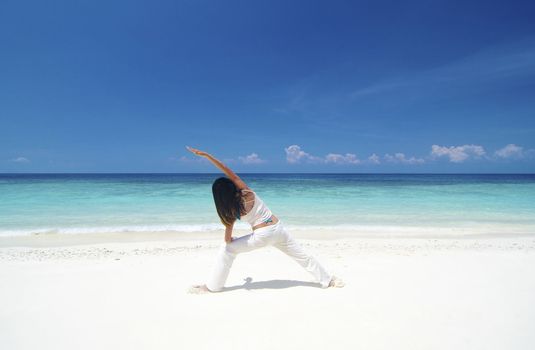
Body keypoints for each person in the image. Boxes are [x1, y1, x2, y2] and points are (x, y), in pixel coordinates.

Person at [186, 146, 344, 293]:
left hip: (262, 236)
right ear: (231, 186)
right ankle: (328, 280)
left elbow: (228, 240)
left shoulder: (231, 211)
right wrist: (207, 156)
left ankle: (212, 287)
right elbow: (228, 171)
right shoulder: (247, 191)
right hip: (278, 228)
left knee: (227, 250)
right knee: (302, 256)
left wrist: (232, 240)